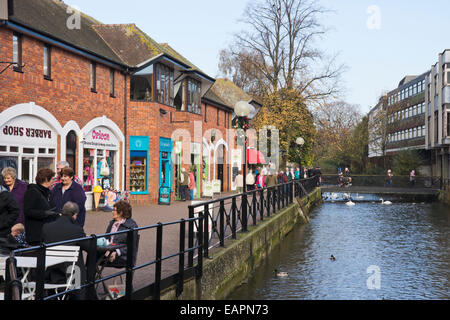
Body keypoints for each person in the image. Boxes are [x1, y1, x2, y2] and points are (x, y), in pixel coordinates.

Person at [41, 202, 89, 299]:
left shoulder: (47, 227)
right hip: (72, 273)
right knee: (78, 264)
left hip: (51, 271)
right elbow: (88, 247)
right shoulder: (77, 230)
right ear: (74, 215)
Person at [24, 168, 60, 246]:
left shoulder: (48, 192)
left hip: (47, 233)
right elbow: (28, 211)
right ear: (46, 179)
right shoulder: (32, 191)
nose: (53, 181)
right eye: (52, 179)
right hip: (36, 236)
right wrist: (45, 213)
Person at [104, 200, 138, 266]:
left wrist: (116, 252)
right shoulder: (112, 223)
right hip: (108, 251)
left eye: (114, 210)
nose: (112, 212)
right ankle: (88, 275)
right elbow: (106, 238)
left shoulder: (131, 226)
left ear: (120, 213)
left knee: (94, 258)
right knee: (92, 254)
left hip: (123, 257)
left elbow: (131, 246)